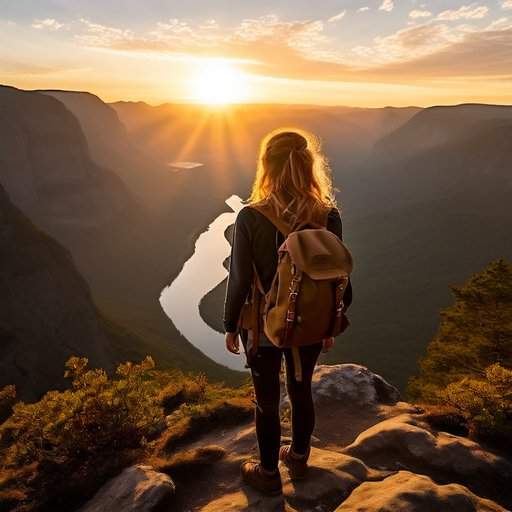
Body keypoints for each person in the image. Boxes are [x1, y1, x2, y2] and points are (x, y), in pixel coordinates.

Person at [223, 128, 352, 495]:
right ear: (310, 168)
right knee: (301, 389)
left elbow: (239, 279)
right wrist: (329, 320)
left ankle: (266, 474)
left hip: (264, 325)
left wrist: (230, 324)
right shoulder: (328, 216)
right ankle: (297, 456)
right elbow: (339, 277)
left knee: (266, 400)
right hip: (311, 322)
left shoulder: (250, 217)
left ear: (267, 167)